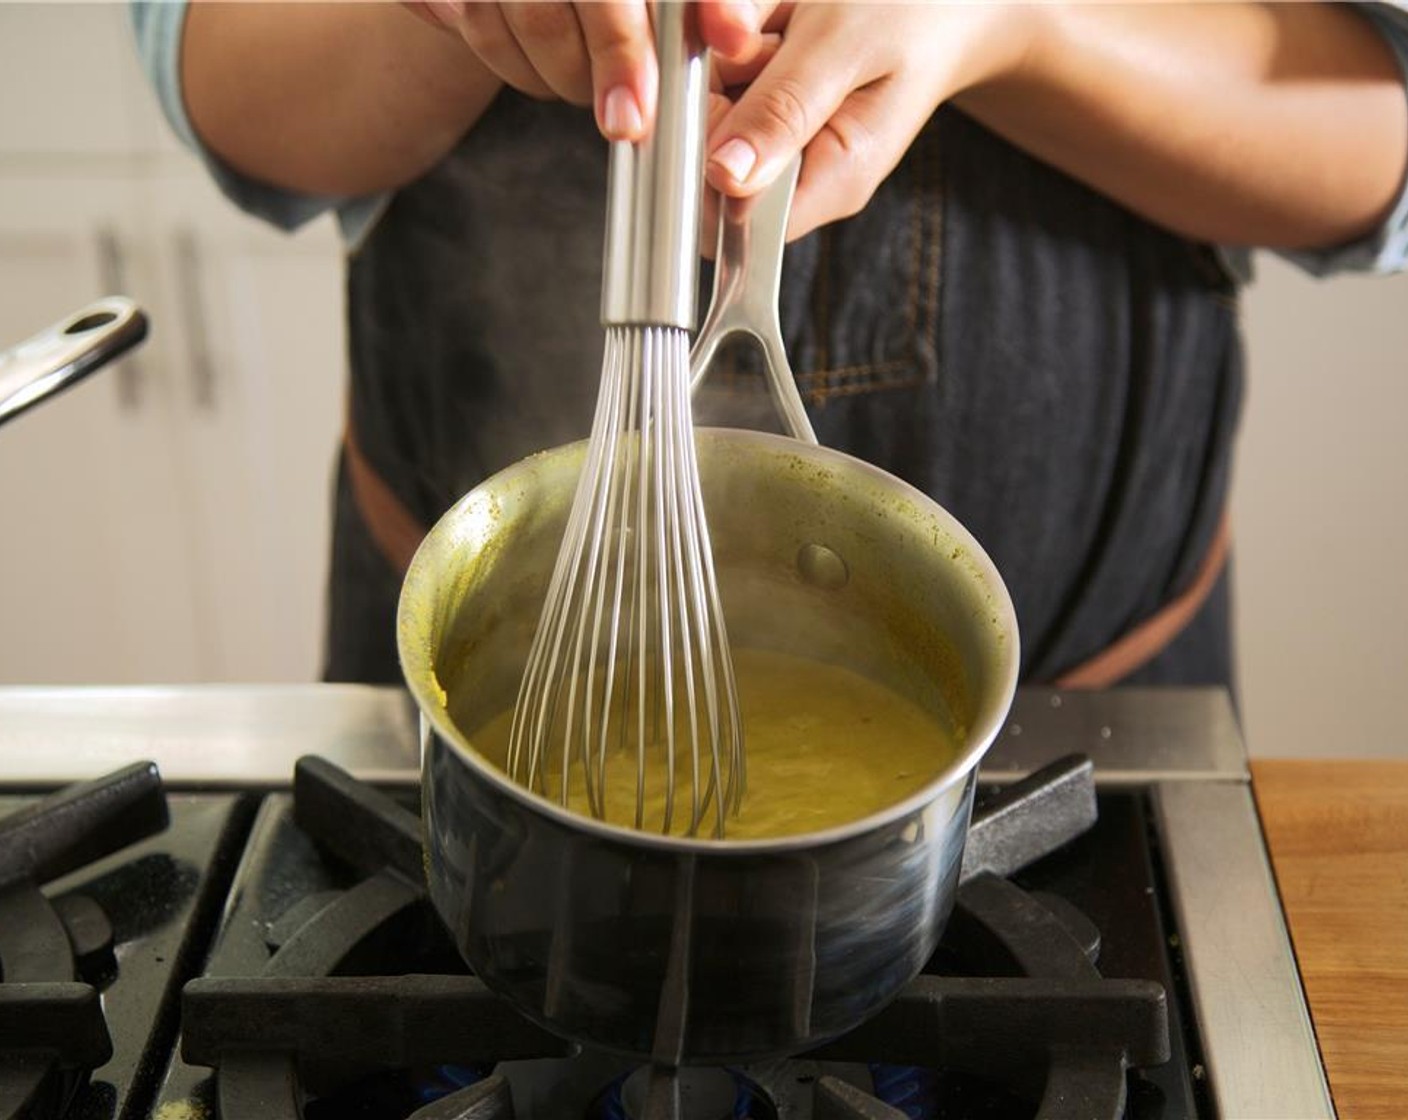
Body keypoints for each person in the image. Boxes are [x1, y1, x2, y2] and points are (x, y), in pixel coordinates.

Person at [132, 1, 1408, 689]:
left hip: (1098, 728)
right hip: (460, 724)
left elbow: (1378, 129)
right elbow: (220, 71)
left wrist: (1015, 22)